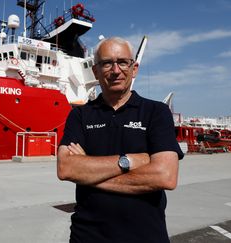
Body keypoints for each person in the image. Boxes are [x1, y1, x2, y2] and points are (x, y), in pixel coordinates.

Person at [57, 37, 184, 243]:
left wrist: (89, 174)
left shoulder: (156, 112)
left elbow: (165, 176)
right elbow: (66, 168)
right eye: (106, 63)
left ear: (134, 69)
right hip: (87, 237)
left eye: (123, 62)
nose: (115, 70)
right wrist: (132, 160)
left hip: (147, 236)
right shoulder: (80, 115)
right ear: (96, 71)